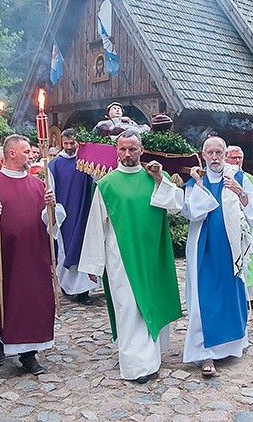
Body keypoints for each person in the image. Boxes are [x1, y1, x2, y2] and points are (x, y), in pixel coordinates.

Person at [79, 130, 183, 383]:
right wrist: (94, 263)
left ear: (141, 150)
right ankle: (136, 366)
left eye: (132, 149)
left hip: (153, 256)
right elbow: (95, 226)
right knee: (128, 308)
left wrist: (160, 178)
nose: (127, 154)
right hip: (121, 258)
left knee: (152, 302)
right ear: (117, 151)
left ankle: (152, 357)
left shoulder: (155, 178)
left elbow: (176, 205)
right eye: (123, 149)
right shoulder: (107, 184)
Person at [0, 135, 64, 376]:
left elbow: (50, 222)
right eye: (25, 152)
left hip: (33, 253)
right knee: (4, 298)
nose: (30, 156)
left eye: (30, 152)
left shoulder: (40, 185)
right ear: (11, 154)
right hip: (4, 255)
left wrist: (52, 207)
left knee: (32, 301)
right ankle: (1, 341)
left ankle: (29, 355)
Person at [182, 136, 253, 377]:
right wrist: (199, 185)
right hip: (204, 247)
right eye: (210, 153)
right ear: (203, 155)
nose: (215, 157)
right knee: (204, 300)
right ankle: (205, 354)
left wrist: (240, 193)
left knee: (231, 296)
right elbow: (191, 212)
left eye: (219, 152)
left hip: (231, 249)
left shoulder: (237, 177)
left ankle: (232, 345)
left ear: (225, 154)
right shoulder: (197, 179)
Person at [48, 128, 99, 305]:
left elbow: (96, 180)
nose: (69, 147)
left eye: (72, 143)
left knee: (84, 248)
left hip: (85, 210)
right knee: (67, 249)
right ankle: (67, 285)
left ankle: (83, 290)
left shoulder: (85, 161)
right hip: (65, 214)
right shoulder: (54, 165)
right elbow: (50, 189)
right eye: (66, 143)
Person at [225, 145, 253, 310]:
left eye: (240, 157)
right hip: (225, 227)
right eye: (233, 157)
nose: (237, 161)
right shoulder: (219, 176)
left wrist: (241, 193)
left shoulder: (249, 179)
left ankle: (247, 298)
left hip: (243, 227)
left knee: (246, 263)